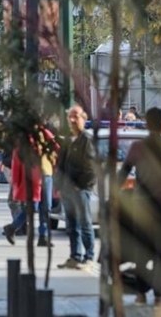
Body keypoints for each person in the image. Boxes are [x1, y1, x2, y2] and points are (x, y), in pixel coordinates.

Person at [118, 108, 161, 305]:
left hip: (142, 205)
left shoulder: (138, 147)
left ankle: (141, 293)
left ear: (146, 123)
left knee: (141, 252)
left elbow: (123, 173)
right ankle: (160, 293)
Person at [55, 105, 97, 270]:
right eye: (70, 117)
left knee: (84, 222)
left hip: (80, 190)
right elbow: (61, 164)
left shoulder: (87, 140)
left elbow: (91, 167)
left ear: (84, 119)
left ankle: (89, 256)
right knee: (71, 225)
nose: (72, 120)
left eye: (76, 117)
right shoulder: (67, 140)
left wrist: (81, 185)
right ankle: (75, 256)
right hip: (67, 191)